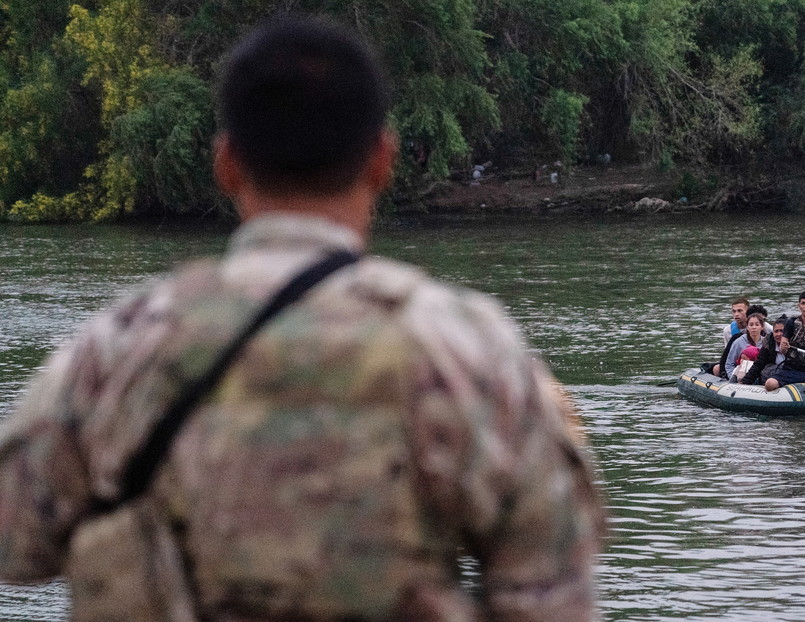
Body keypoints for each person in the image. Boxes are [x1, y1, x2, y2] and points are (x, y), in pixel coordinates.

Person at [0, 16, 604, 622]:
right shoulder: (469, 348)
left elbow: (15, 545)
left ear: (227, 164)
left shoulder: (118, 345)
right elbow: (551, 598)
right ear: (382, 160)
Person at [739, 314, 788, 386]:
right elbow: (758, 364)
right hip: (772, 375)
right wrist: (745, 381)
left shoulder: (795, 342)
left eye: (782, 331)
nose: (778, 334)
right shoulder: (768, 343)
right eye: (776, 331)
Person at [724, 312, 766, 379]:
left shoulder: (766, 343)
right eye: (751, 325)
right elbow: (729, 364)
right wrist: (733, 378)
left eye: (757, 325)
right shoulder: (738, 342)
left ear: (762, 327)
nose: (754, 327)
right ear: (747, 327)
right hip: (741, 375)